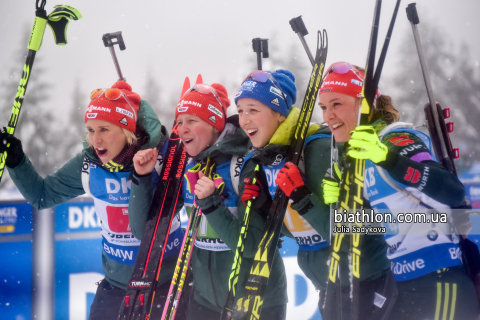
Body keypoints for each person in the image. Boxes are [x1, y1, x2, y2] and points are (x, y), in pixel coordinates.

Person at [0, 81, 183, 320]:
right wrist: (16, 161)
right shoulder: (89, 163)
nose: (95, 140)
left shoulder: (165, 157)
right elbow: (42, 196)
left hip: (168, 284)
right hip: (116, 286)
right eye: (90, 130)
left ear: (127, 131)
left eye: (104, 129)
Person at [319, 61, 480, 319]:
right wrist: (340, 205)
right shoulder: (360, 158)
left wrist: (387, 157)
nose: (328, 116)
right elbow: (377, 227)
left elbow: (452, 191)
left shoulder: (395, 139)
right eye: (324, 108)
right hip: (400, 286)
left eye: (337, 104)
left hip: (439, 279)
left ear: (365, 104)